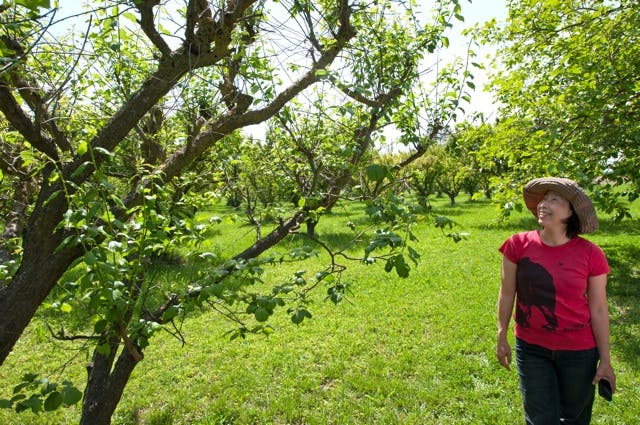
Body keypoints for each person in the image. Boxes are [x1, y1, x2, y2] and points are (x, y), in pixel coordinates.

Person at [496, 177, 616, 425]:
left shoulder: (591, 254)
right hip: (531, 348)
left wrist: (605, 359)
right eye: (543, 199)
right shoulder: (517, 245)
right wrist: (501, 334)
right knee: (541, 419)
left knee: (574, 418)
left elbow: (599, 308)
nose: (543, 204)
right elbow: (507, 292)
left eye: (554, 200)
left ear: (571, 212)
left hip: (579, 352)